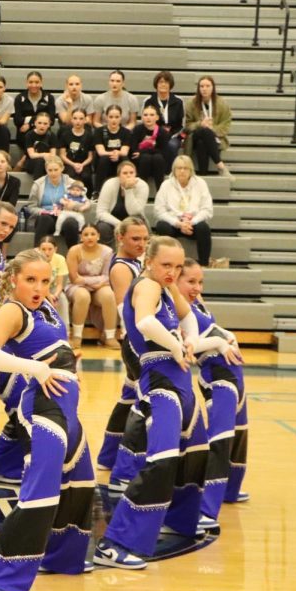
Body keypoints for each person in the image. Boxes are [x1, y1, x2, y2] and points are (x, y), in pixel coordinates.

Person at [0, 250, 90, 591]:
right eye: (30, 280)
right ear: (14, 280)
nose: (38, 287)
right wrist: (34, 370)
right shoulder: (12, 310)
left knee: (80, 481)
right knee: (41, 491)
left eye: (44, 281)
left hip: (67, 404)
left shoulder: (46, 308)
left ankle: (63, 557)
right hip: (43, 406)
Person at [93, 236, 207, 570]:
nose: (172, 272)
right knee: (162, 460)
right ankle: (115, 543)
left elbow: (190, 318)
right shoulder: (147, 286)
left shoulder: (168, 289)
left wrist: (191, 340)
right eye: (166, 265)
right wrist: (174, 345)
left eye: (177, 265)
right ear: (149, 262)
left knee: (195, 452)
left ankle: (179, 519)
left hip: (180, 379)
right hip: (159, 380)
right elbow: (144, 322)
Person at [178, 258, 249, 529]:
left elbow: (216, 328)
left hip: (233, 372)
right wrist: (221, 342)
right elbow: (192, 346)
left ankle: (231, 488)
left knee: (239, 432)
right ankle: (207, 508)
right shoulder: (178, 310)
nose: (197, 287)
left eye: (200, 281)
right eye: (191, 282)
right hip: (217, 377)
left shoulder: (197, 303)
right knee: (220, 439)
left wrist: (230, 336)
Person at [95, 215, 150, 469]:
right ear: (120, 237)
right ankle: (130, 461)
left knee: (129, 396)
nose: (142, 243)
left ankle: (108, 456)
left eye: (145, 239)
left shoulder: (137, 263)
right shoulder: (121, 268)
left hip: (137, 339)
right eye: (135, 238)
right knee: (145, 400)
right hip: (136, 342)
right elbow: (124, 309)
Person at [64, 222, 119, 350]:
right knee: (83, 296)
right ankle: (77, 336)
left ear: (98, 236)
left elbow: (107, 276)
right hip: (76, 287)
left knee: (109, 295)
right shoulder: (74, 251)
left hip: (100, 286)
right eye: (86, 234)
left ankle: (109, 336)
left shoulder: (107, 251)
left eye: (93, 234)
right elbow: (74, 278)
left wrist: (95, 283)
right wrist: (94, 282)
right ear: (81, 237)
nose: (89, 237)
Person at [155, 155, 214, 266]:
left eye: (185, 168)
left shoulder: (200, 183)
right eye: (179, 168)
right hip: (174, 223)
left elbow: (207, 209)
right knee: (162, 226)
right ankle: (168, 262)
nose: (182, 171)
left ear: (191, 170)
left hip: (193, 223)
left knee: (203, 228)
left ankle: (204, 264)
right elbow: (159, 210)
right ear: (174, 170)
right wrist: (177, 223)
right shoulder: (166, 185)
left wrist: (192, 222)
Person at [25, 157, 82, 248]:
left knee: (71, 223)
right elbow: (31, 206)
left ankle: (73, 253)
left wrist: (71, 205)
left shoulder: (72, 183)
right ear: (46, 170)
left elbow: (81, 203)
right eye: (50, 170)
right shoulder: (38, 184)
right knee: (45, 219)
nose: (53, 173)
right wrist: (43, 211)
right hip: (46, 216)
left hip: (65, 216)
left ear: (62, 169)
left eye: (56, 170)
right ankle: (37, 253)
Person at [182, 75, 233, 177]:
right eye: (201, 86)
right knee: (203, 131)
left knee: (203, 141)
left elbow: (226, 125)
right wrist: (200, 124)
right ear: (198, 88)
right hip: (194, 137)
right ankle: (220, 165)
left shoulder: (222, 103)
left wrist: (212, 129)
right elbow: (186, 126)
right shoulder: (191, 103)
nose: (204, 89)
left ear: (213, 88)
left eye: (207, 86)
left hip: (215, 138)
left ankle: (203, 175)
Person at [94, 160, 149, 244]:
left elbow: (134, 211)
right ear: (119, 176)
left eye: (131, 172)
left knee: (136, 227)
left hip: (134, 218)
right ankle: (108, 254)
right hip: (112, 220)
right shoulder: (109, 184)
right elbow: (101, 212)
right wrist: (120, 224)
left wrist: (129, 189)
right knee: (102, 228)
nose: (129, 175)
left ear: (136, 174)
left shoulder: (142, 185)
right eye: (125, 173)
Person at [145, 70, 185, 158]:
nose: (163, 84)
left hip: (173, 136)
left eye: (166, 82)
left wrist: (170, 135)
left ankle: (170, 171)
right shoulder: (149, 101)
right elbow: (146, 122)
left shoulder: (178, 102)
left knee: (171, 145)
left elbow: (181, 125)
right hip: (154, 135)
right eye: (161, 82)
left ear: (170, 85)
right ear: (156, 84)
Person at [14, 70, 57, 151]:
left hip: (43, 132)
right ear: (26, 83)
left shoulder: (49, 97)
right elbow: (18, 120)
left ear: (41, 83)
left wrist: (29, 123)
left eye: (37, 82)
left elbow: (51, 120)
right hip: (24, 133)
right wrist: (40, 118)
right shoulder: (19, 98)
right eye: (31, 82)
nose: (34, 85)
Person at [130, 105, 171, 188]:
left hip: (157, 163)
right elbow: (133, 150)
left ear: (157, 117)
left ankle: (160, 191)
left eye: (152, 115)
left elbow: (164, 151)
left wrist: (142, 152)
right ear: (141, 117)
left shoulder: (162, 132)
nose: (148, 117)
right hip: (141, 163)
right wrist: (150, 151)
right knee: (146, 158)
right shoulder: (137, 129)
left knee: (157, 158)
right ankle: (141, 189)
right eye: (145, 115)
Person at [93, 105, 132, 189]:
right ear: (106, 117)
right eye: (111, 117)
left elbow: (124, 152)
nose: (114, 120)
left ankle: (128, 187)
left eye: (117, 117)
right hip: (103, 162)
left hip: (119, 161)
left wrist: (118, 154)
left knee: (125, 159)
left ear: (121, 117)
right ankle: (97, 191)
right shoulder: (99, 131)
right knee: (104, 158)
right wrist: (115, 153)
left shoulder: (126, 132)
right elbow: (101, 152)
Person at [59, 108, 95, 193]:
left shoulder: (89, 136)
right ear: (71, 119)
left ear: (85, 120)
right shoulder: (65, 134)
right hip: (69, 163)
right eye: (75, 118)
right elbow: (62, 155)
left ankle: (88, 197)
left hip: (84, 164)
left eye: (81, 118)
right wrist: (73, 164)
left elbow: (90, 157)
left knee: (86, 176)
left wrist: (82, 165)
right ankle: (68, 196)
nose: (78, 121)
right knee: (70, 175)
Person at [37, 235, 69, 321]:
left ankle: (65, 331)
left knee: (62, 299)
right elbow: (37, 283)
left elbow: (59, 284)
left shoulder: (60, 259)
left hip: (53, 288)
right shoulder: (35, 259)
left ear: (55, 249)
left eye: (50, 249)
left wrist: (56, 295)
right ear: (38, 249)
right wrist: (48, 295)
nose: (46, 252)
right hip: (37, 288)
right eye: (43, 249)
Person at [22, 111, 57, 179]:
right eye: (39, 123)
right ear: (35, 123)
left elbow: (53, 155)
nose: (42, 126)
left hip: (47, 162)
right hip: (31, 163)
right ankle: (37, 186)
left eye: (45, 123)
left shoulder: (52, 136)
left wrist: (48, 158)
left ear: (49, 124)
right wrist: (44, 155)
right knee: (40, 161)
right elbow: (32, 155)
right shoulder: (29, 135)